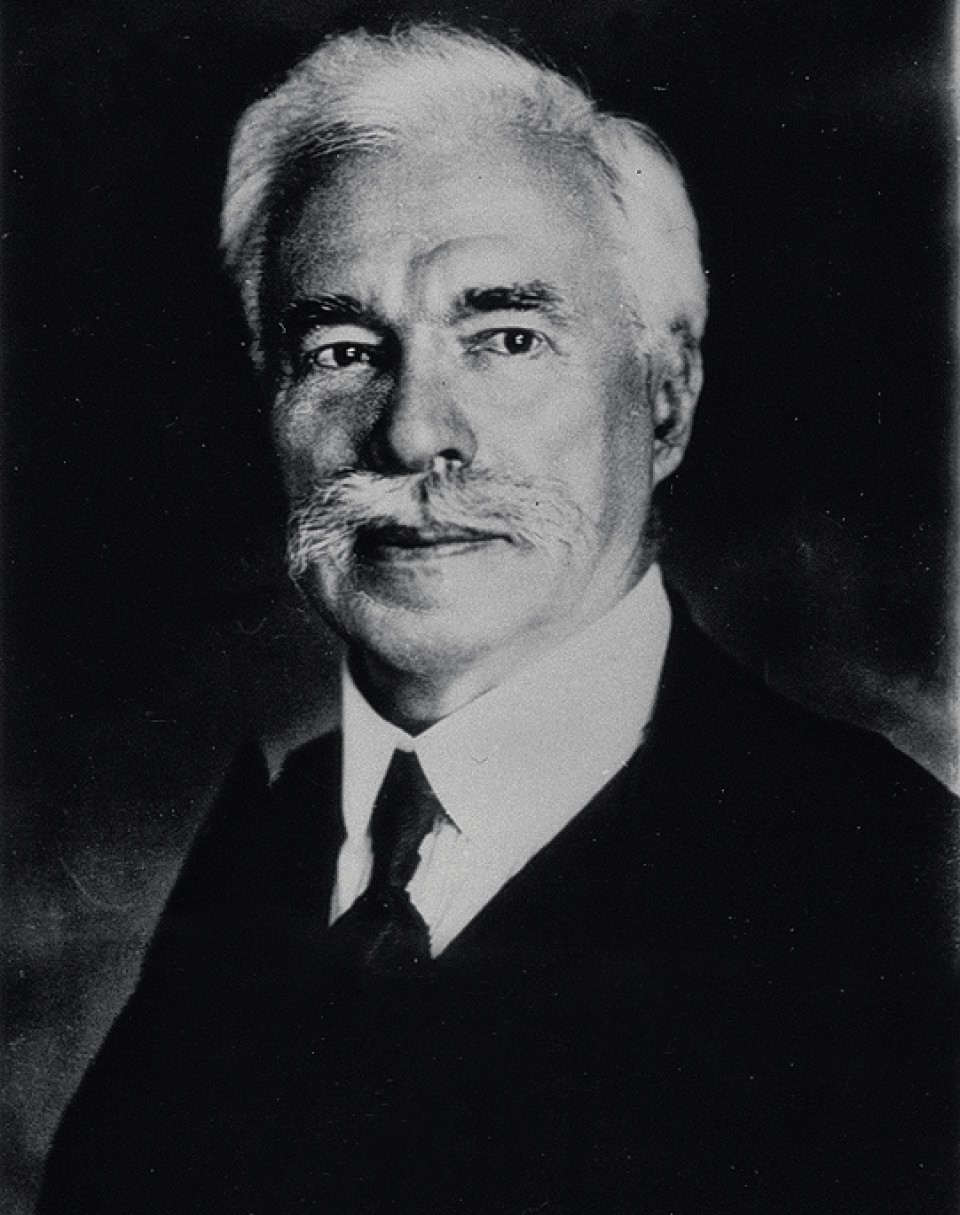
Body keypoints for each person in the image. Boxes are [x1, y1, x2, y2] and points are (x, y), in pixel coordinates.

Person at [39, 23, 955, 1215]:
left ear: (666, 401)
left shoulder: (894, 905)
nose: (414, 431)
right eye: (341, 349)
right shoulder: (262, 864)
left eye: (507, 338)